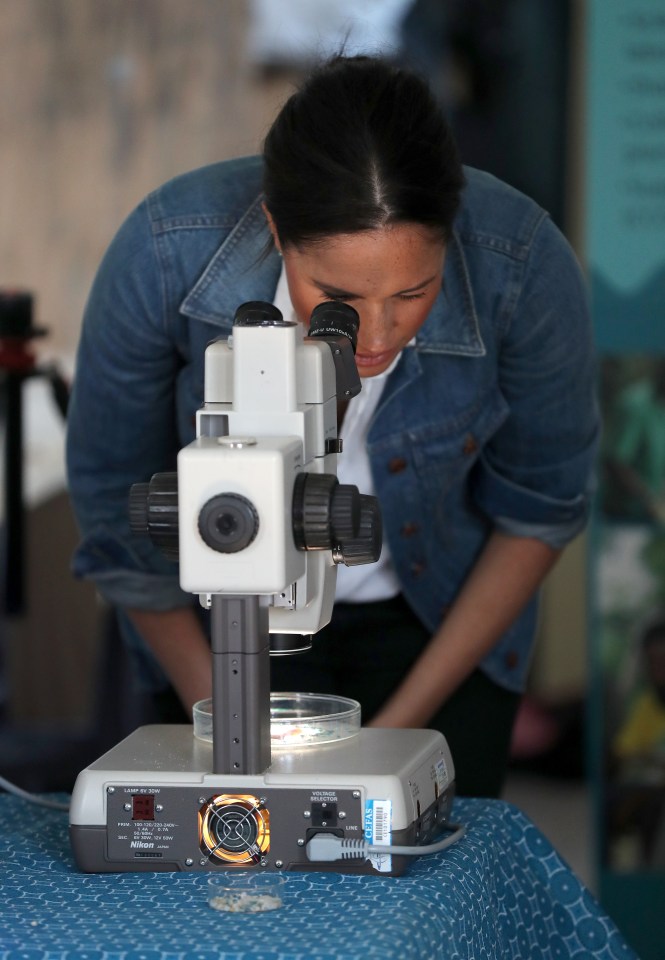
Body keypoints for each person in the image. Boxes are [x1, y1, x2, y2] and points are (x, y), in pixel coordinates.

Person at [66, 55, 599, 797]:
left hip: (438, 622)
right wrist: (221, 714)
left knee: (418, 880)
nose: (376, 334)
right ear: (277, 228)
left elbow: (540, 508)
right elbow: (110, 503)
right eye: (338, 295)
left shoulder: (521, 264)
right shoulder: (164, 253)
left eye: (414, 292)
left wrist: (392, 746)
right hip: (212, 632)